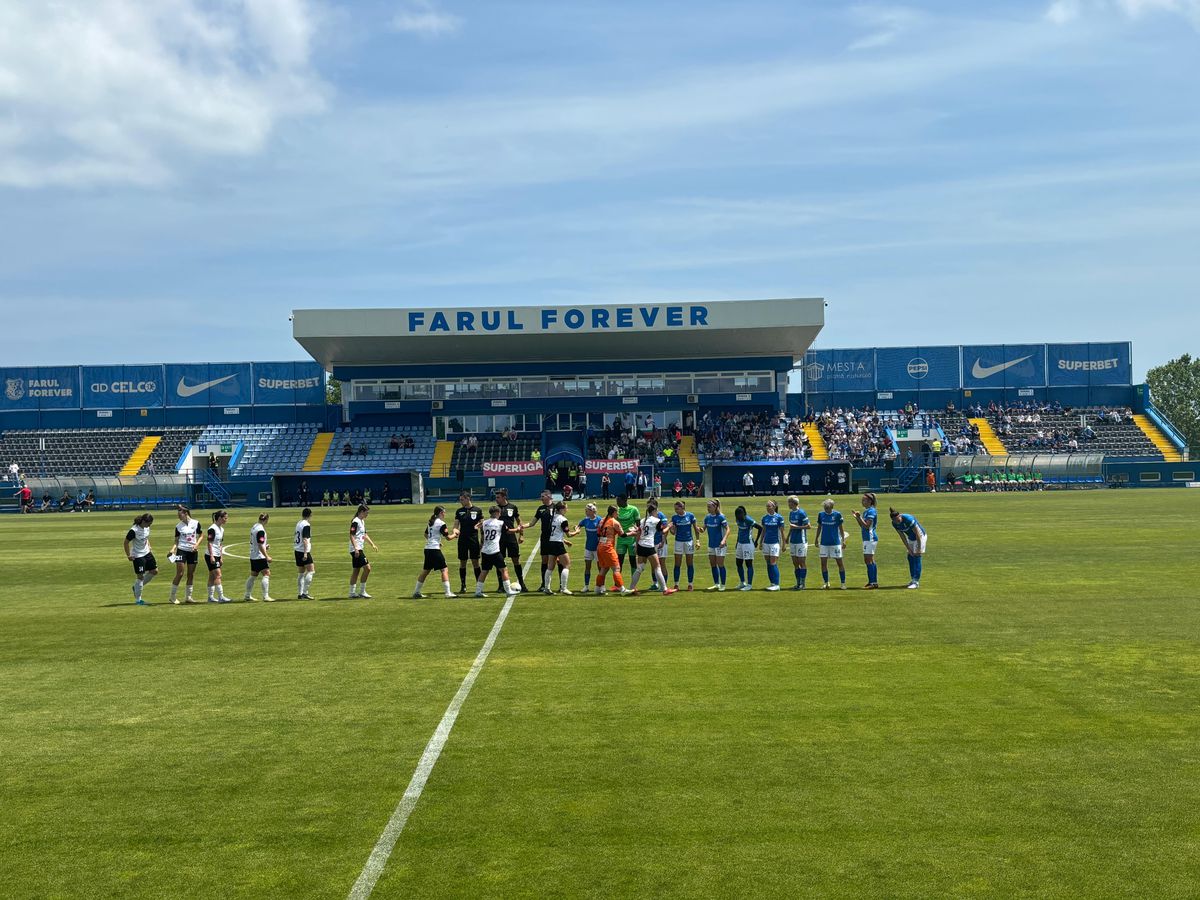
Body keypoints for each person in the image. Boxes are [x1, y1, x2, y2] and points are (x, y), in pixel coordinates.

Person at [473, 507, 519, 598]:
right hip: (495, 551)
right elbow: (508, 531)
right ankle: (508, 590)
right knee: (504, 570)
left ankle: (478, 591)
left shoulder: (484, 522)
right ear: (497, 512)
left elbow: (476, 527)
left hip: (485, 550)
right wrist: (517, 529)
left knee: (484, 571)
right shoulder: (500, 523)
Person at [414, 506, 459, 598]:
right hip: (434, 549)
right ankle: (448, 593)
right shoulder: (441, 523)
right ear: (441, 513)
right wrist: (455, 534)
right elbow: (448, 538)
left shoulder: (431, 522)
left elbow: (426, 534)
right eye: (444, 512)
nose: (445, 514)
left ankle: (416, 592)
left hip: (428, 549)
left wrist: (435, 541)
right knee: (444, 569)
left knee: (426, 571)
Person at [629, 500, 672, 595]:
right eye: (656, 511)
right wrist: (669, 526)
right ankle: (665, 589)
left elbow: (639, 533)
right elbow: (663, 531)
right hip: (649, 546)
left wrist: (636, 545)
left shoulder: (643, 520)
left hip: (641, 545)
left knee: (639, 568)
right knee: (657, 567)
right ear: (654, 511)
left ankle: (631, 588)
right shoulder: (656, 520)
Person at [593, 505, 631, 595]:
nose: (618, 514)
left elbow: (598, 534)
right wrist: (633, 533)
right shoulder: (614, 522)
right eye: (617, 512)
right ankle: (622, 589)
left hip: (600, 547)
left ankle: (597, 589)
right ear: (613, 512)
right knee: (616, 568)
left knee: (604, 569)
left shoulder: (602, 520)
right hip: (608, 548)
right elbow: (622, 535)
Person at [494, 488, 527, 593]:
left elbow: (519, 522)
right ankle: (501, 586)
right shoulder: (496, 509)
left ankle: (522, 583)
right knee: (500, 562)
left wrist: (521, 535)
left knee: (516, 560)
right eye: (496, 497)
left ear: (504, 497)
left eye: (498, 497)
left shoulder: (512, 507)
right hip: (499, 539)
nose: (496, 499)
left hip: (511, 538)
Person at [168, 505, 202, 604]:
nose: (179, 517)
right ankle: (172, 596)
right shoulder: (178, 526)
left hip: (193, 551)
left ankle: (188, 597)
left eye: (180, 515)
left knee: (191, 574)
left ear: (186, 514)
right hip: (181, 550)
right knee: (180, 573)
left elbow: (201, 535)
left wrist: (196, 545)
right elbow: (176, 541)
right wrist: (172, 549)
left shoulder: (196, 523)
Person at [124, 513, 158, 605]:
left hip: (147, 552)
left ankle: (136, 587)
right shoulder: (134, 530)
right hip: (138, 555)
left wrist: (149, 545)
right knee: (140, 576)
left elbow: (146, 537)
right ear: (143, 521)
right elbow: (126, 542)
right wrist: (128, 555)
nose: (149, 526)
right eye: (149, 524)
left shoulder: (147, 528)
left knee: (154, 571)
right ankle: (138, 600)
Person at [890, 507, 927, 589]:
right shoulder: (894, 524)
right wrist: (908, 548)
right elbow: (902, 536)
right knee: (910, 557)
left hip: (920, 537)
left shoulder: (908, 519)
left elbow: (917, 533)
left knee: (917, 556)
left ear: (900, 515)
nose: (897, 521)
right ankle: (913, 579)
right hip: (911, 538)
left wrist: (919, 548)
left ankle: (916, 582)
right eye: (895, 520)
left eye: (898, 519)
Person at [453, 491, 483, 594]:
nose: (460, 501)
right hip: (462, 540)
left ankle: (479, 586)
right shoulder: (459, 511)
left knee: (475, 562)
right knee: (462, 562)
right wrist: (455, 531)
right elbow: (456, 525)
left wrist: (482, 538)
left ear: (468, 499)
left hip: (473, 539)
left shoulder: (477, 510)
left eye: (462, 500)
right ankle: (463, 586)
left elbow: (482, 523)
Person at [542, 501, 574, 594]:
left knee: (550, 567)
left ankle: (546, 588)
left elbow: (556, 532)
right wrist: (577, 531)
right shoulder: (563, 519)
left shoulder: (553, 518)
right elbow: (569, 534)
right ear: (561, 509)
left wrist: (565, 541)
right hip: (558, 544)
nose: (567, 510)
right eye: (566, 508)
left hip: (551, 542)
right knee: (567, 565)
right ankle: (564, 588)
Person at [815, 498, 847, 590]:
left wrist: (843, 540)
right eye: (825, 508)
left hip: (835, 543)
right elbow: (819, 527)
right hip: (824, 543)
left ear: (832, 507)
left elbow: (841, 528)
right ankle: (826, 583)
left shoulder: (837, 515)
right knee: (823, 563)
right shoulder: (821, 515)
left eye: (827, 508)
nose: (825, 509)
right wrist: (816, 539)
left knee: (840, 563)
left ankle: (843, 583)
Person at [851, 492, 880, 590]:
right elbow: (862, 525)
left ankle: (872, 582)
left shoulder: (871, 511)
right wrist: (857, 518)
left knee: (868, 560)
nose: (862, 502)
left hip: (870, 538)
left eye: (864, 500)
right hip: (867, 538)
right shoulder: (866, 511)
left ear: (870, 501)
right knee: (869, 560)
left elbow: (867, 526)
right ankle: (873, 582)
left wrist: (859, 517)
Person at [244, 513, 275, 602]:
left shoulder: (254, 526)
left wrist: (265, 546)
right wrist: (267, 556)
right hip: (259, 556)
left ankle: (247, 595)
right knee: (266, 573)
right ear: (266, 520)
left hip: (253, 555)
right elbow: (260, 544)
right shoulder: (260, 530)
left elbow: (257, 542)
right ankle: (266, 596)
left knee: (253, 575)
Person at [348, 504, 378, 598]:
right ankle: (362, 591)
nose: (367, 514)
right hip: (356, 549)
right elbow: (351, 535)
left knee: (356, 570)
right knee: (367, 568)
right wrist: (356, 548)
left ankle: (352, 593)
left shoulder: (362, 521)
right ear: (361, 512)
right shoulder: (355, 521)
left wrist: (372, 544)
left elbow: (365, 535)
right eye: (366, 512)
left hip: (358, 548)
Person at [669, 500, 698, 591]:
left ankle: (690, 584)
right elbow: (673, 532)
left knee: (690, 563)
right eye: (675, 509)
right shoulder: (674, 518)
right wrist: (670, 528)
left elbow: (696, 529)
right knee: (677, 564)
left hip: (689, 541)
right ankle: (676, 584)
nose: (676, 511)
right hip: (678, 542)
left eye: (677, 509)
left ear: (682, 508)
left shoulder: (690, 516)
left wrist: (697, 540)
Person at [758, 500, 786, 592]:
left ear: (774, 507)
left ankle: (777, 584)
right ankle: (772, 583)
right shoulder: (764, 518)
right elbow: (763, 531)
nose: (767, 508)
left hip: (775, 543)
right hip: (766, 543)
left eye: (769, 506)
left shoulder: (779, 518)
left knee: (773, 563)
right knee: (768, 563)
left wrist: (784, 544)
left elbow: (782, 531)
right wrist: (761, 542)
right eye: (767, 506)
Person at [732, 505, 762, 591]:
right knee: (738, 563)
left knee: (748, 564)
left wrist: (756, 541)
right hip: (740, 544)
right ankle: (742, 582)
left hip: (748, 544)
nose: (738, 517)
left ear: (743, 514)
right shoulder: (738, 520)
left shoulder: (748, 520)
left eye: (740, 515)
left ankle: (749, 585)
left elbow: (760, 528)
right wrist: (737, 542)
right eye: (737, 515)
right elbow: (739, 531)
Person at [703, 499, 729, 591]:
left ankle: (723, 585)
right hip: (711, 544)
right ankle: (716, 584)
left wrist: (724, 540)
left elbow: (728, 529)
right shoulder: (707, 517)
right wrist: (699, 529)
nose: (708, 509)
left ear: (715, 507)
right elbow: (703, 529)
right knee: (713, 564)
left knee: (720, 564)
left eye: (709, 507)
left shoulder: (721, 517)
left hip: (720, 545)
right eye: (707, 507)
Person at [205, 510, 230, 602]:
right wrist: (212, 556)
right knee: (218, 575)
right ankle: (221, 597)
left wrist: (221, 557)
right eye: (225, 518)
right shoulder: (212, 529)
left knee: (212, 576)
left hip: (217, 555)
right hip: (211, 555)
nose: (226, 520)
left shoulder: (221, 529)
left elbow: (220, 544)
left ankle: (210, 597)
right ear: (220, 518)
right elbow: (209, 543)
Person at [786, 495, 810, 590]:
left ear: (793, 503)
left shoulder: (802, 513)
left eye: (789, 502)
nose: (788, 504)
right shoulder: (791, 513)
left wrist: (797, 527)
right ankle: (798, 583)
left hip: (801, 541)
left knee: (801, 562)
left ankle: (803, 584)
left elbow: (808, 526)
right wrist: (787, 537)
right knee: (795, 563)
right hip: (793, 541)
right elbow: (791, 527)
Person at [614, 494, 640, 580]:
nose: (617, 503)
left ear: (624, 500)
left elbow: (638, 525)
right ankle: (618, 584)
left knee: (633, 561)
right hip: (621, 539)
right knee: (619, 561)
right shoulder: (617, 511)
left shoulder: (633, 509)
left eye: (618, 501)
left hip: (632, 539)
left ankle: (634, 583)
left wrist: (637, 535)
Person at [577, 503, 601, 593]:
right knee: (587, 567)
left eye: (587, 511)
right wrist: (577, 528)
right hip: (588, 548)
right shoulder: (585, 520)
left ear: (592, 511)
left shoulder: (599, 520)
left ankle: (601, 586)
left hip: (598, 548)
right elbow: (579, 525)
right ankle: (586, 586)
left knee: (600, 568)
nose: (585, 512)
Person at [294, 507, 316, 599]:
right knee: (311, 571)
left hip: (297, 550)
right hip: (303, 550)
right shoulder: (306, 525)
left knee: (301, 573)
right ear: (310, 515)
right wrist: (306, 553)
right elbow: (305, 539)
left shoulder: (299, 523)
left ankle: (300, 593)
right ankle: (305, 592)